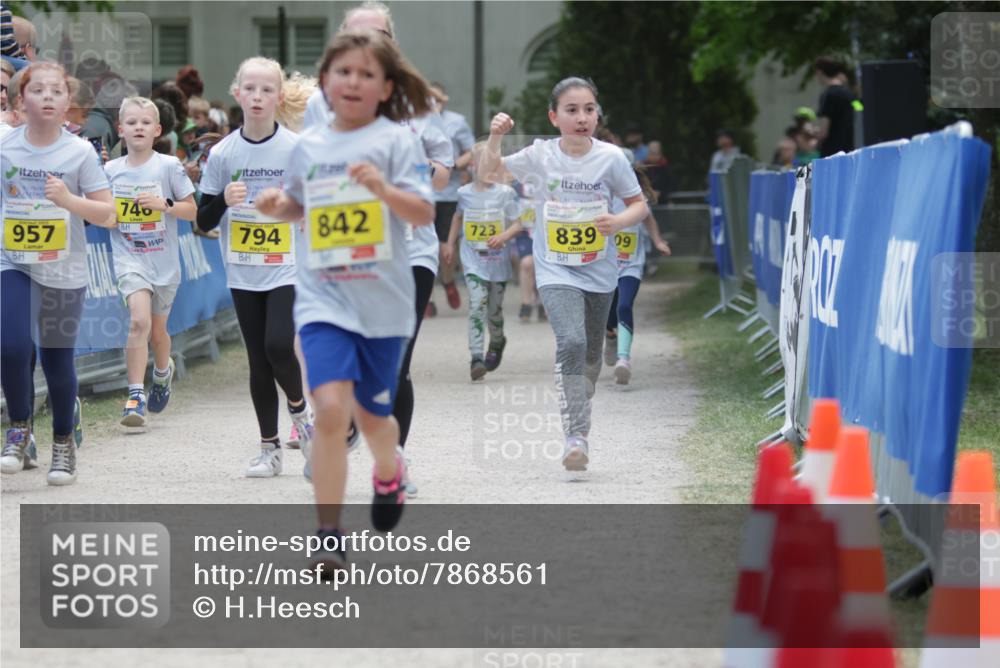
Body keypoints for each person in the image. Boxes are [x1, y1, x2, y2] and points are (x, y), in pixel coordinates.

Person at [255, 28, 435, 570]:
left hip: (383, 303)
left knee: (374, 417)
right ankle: (329, 536)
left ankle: (388, 469)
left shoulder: (397, 141)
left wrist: (382, 190)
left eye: (367, 74)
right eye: (343, 72)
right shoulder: (308, 145)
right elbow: (297, 204)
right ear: (325, 83)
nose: (353, 82)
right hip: (323, 298)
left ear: (385, 87)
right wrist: (276, 205)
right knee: (331, 411)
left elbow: (423, 213)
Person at [481, 77, 649, 471]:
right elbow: (491, 174)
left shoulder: (611, 158)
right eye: (572, 111)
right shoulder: (540, 155)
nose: (582, 118)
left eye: (589, 109)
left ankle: (580, 390)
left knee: (590, 358)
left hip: (600, 271)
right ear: (554, 117)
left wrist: (618, 221)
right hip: (555, 268)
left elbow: (638, 205)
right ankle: (576, 437)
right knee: (570, 341)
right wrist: (494, 139)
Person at [196, 56, 314, 479]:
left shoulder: (296, 149)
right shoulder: (223, 153)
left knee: (279, 345)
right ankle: (270, 449)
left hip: (287, 265)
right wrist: (224, 200)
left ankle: (302, 418)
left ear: (279, 97)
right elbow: (202, 220)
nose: (259, 96)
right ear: (238, 93)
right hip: (243, 268)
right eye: (251, 88)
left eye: (267, 90)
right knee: (258, 361)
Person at [0, 62, 115, 485]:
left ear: (69, 104)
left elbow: (108, 215)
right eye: (37, 90)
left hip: (63, 268)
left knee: (55, 359)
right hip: (12, 260)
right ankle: (18, 430)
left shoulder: (79, 152)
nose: (47, 96)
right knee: (10, 346)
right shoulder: (5, 146)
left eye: (56, 91)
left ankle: (63, 443)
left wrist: (68, 200)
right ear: (19, 101)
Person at [103, 97, 197, 427]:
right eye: (131, 122)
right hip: (130, 260)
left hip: (165, 263)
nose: (138, 127)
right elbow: (102, 214)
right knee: (138, 322)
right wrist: (109, 218)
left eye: (145, 122)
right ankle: (134, 394)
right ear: (121, 130)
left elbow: (192, 210)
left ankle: (161, 372)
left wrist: (164, 204)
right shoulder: (110, 171)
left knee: (158, 332)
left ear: (157, 130)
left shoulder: (169, 166)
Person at [443, 142, 523, 380]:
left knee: (494, 312)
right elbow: (458, 217)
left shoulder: (505, 193)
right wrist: (449, 243)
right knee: (477, 304)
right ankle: (476, 357)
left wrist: (503, 236)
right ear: (474, 164)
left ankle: (497, 341)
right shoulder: (463, 193)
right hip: (473, 261)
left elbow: (519, 223)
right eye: (483, 162)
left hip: (497, 263)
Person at [603, 153, 671, 385]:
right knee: (607, 314)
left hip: (631, 265)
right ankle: (610, 334)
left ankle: (624, 359)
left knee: (624, 305)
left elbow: (648, 220)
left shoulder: (638, 198)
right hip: (605, 267)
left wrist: (658, 241)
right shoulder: (602, 194)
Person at [428, 81, 474, 314]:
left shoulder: (456, 121)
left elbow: (472, 150)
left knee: (446, 245)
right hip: (421, 192)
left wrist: (452, 166)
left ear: (443, 99)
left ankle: (447, 281)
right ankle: (428, 298)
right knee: (424, 245)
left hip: (448, 192)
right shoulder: (414, 121)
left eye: (436, 97)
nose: (432, 101)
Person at [813, 56, 855, 157]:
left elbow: (824, 131)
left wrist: (816, 142)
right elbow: (858, 111)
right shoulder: (849, 94)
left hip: (831, 153)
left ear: (820, 72)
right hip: (849, 150)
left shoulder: (828, 95)